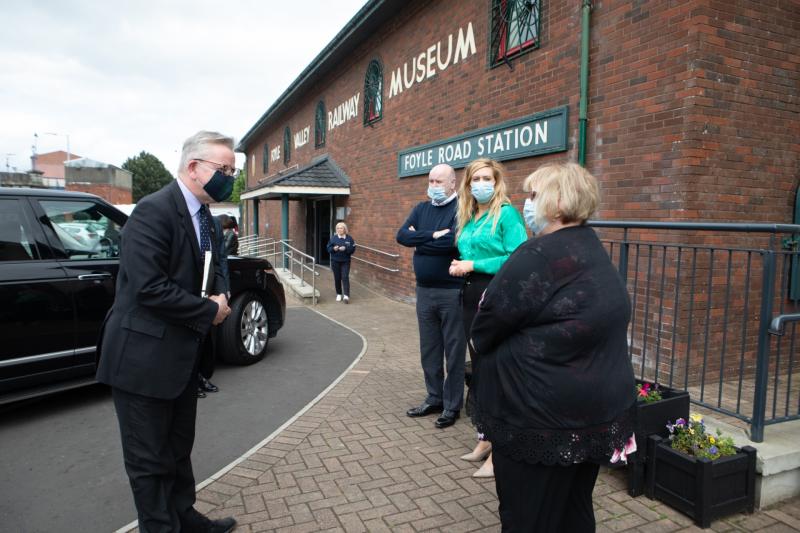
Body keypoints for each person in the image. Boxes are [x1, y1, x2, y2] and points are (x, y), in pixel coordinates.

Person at [468, 162, 636, 532]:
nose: (526, 204)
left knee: (529, 516)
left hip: (539, 415)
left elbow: (484, 330)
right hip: (590, 412)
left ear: (557, 204)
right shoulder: (591, 248)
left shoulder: (537, 255)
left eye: (532, 195)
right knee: (572, 510)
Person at [96, 131, 238, 533]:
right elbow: (148, 288)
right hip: (142, 362)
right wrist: (208, 310)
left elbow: (218, 264)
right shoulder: (153, 211)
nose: (229, 177)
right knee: (149, 462)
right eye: (223, 169)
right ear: (194, 168)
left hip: (181, 360)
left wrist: (223, 292)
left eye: (232, 170)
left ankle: (184, 518)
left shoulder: (206, 218)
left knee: (177, 451)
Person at [449, 158, 527, 479]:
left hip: (494, 294)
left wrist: (473, 266)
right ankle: (485, 439)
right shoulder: (469, 216)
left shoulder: (506, 214)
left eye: (487, 178)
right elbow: (470, 253)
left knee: (496, 372)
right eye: (475, 178)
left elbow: (518, 256)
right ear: (468, 185)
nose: (481, 183)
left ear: (497, 182)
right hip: (470, 295)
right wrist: (461, 265)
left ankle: (501, 453)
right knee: (480, 368)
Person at [396, 163, 465, 429]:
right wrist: (433, 236)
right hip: (424, 292)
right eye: (431, 181)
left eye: (439, 182)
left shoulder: (461, 209)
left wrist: (420, 240)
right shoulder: (421, 208)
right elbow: (401, 236)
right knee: (429, 349)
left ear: (452, 184)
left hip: (451, 292)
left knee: (454, 351)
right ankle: (434, 397)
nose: (433, 186)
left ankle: (452, 405)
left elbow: (453, 242)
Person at [326, 221, 356, 303]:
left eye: (341, 228)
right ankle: (339, 294)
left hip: (345, 261)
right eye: (338, 228)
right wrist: (333, 249)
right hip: (335, 261)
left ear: (345, 229)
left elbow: (353, 250)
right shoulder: (333, 238)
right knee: (337, 278)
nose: (339, 229)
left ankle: (346, 296)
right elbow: (328, 249)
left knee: (345, 277)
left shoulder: (349, 239)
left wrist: (346, 249)